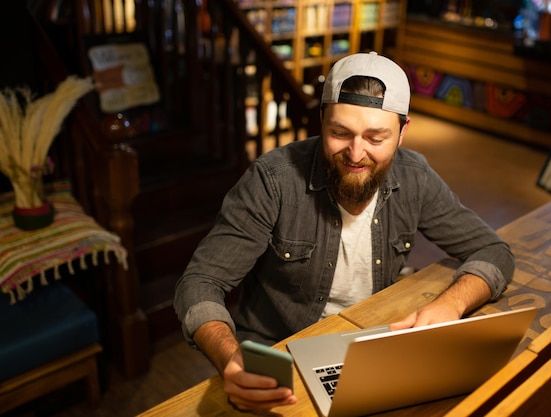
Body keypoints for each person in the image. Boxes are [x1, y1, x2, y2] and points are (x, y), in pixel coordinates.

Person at [174, 52, 515, 411]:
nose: (356, 153)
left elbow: (494, 251)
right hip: (281, 354)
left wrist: (451, 303)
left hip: (373, 343)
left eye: (376, 137)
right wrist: (230, 358)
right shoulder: (271, 181)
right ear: (322, 120)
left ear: (403, 132)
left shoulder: (415, 177)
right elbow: (200, 282)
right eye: (339, 133)